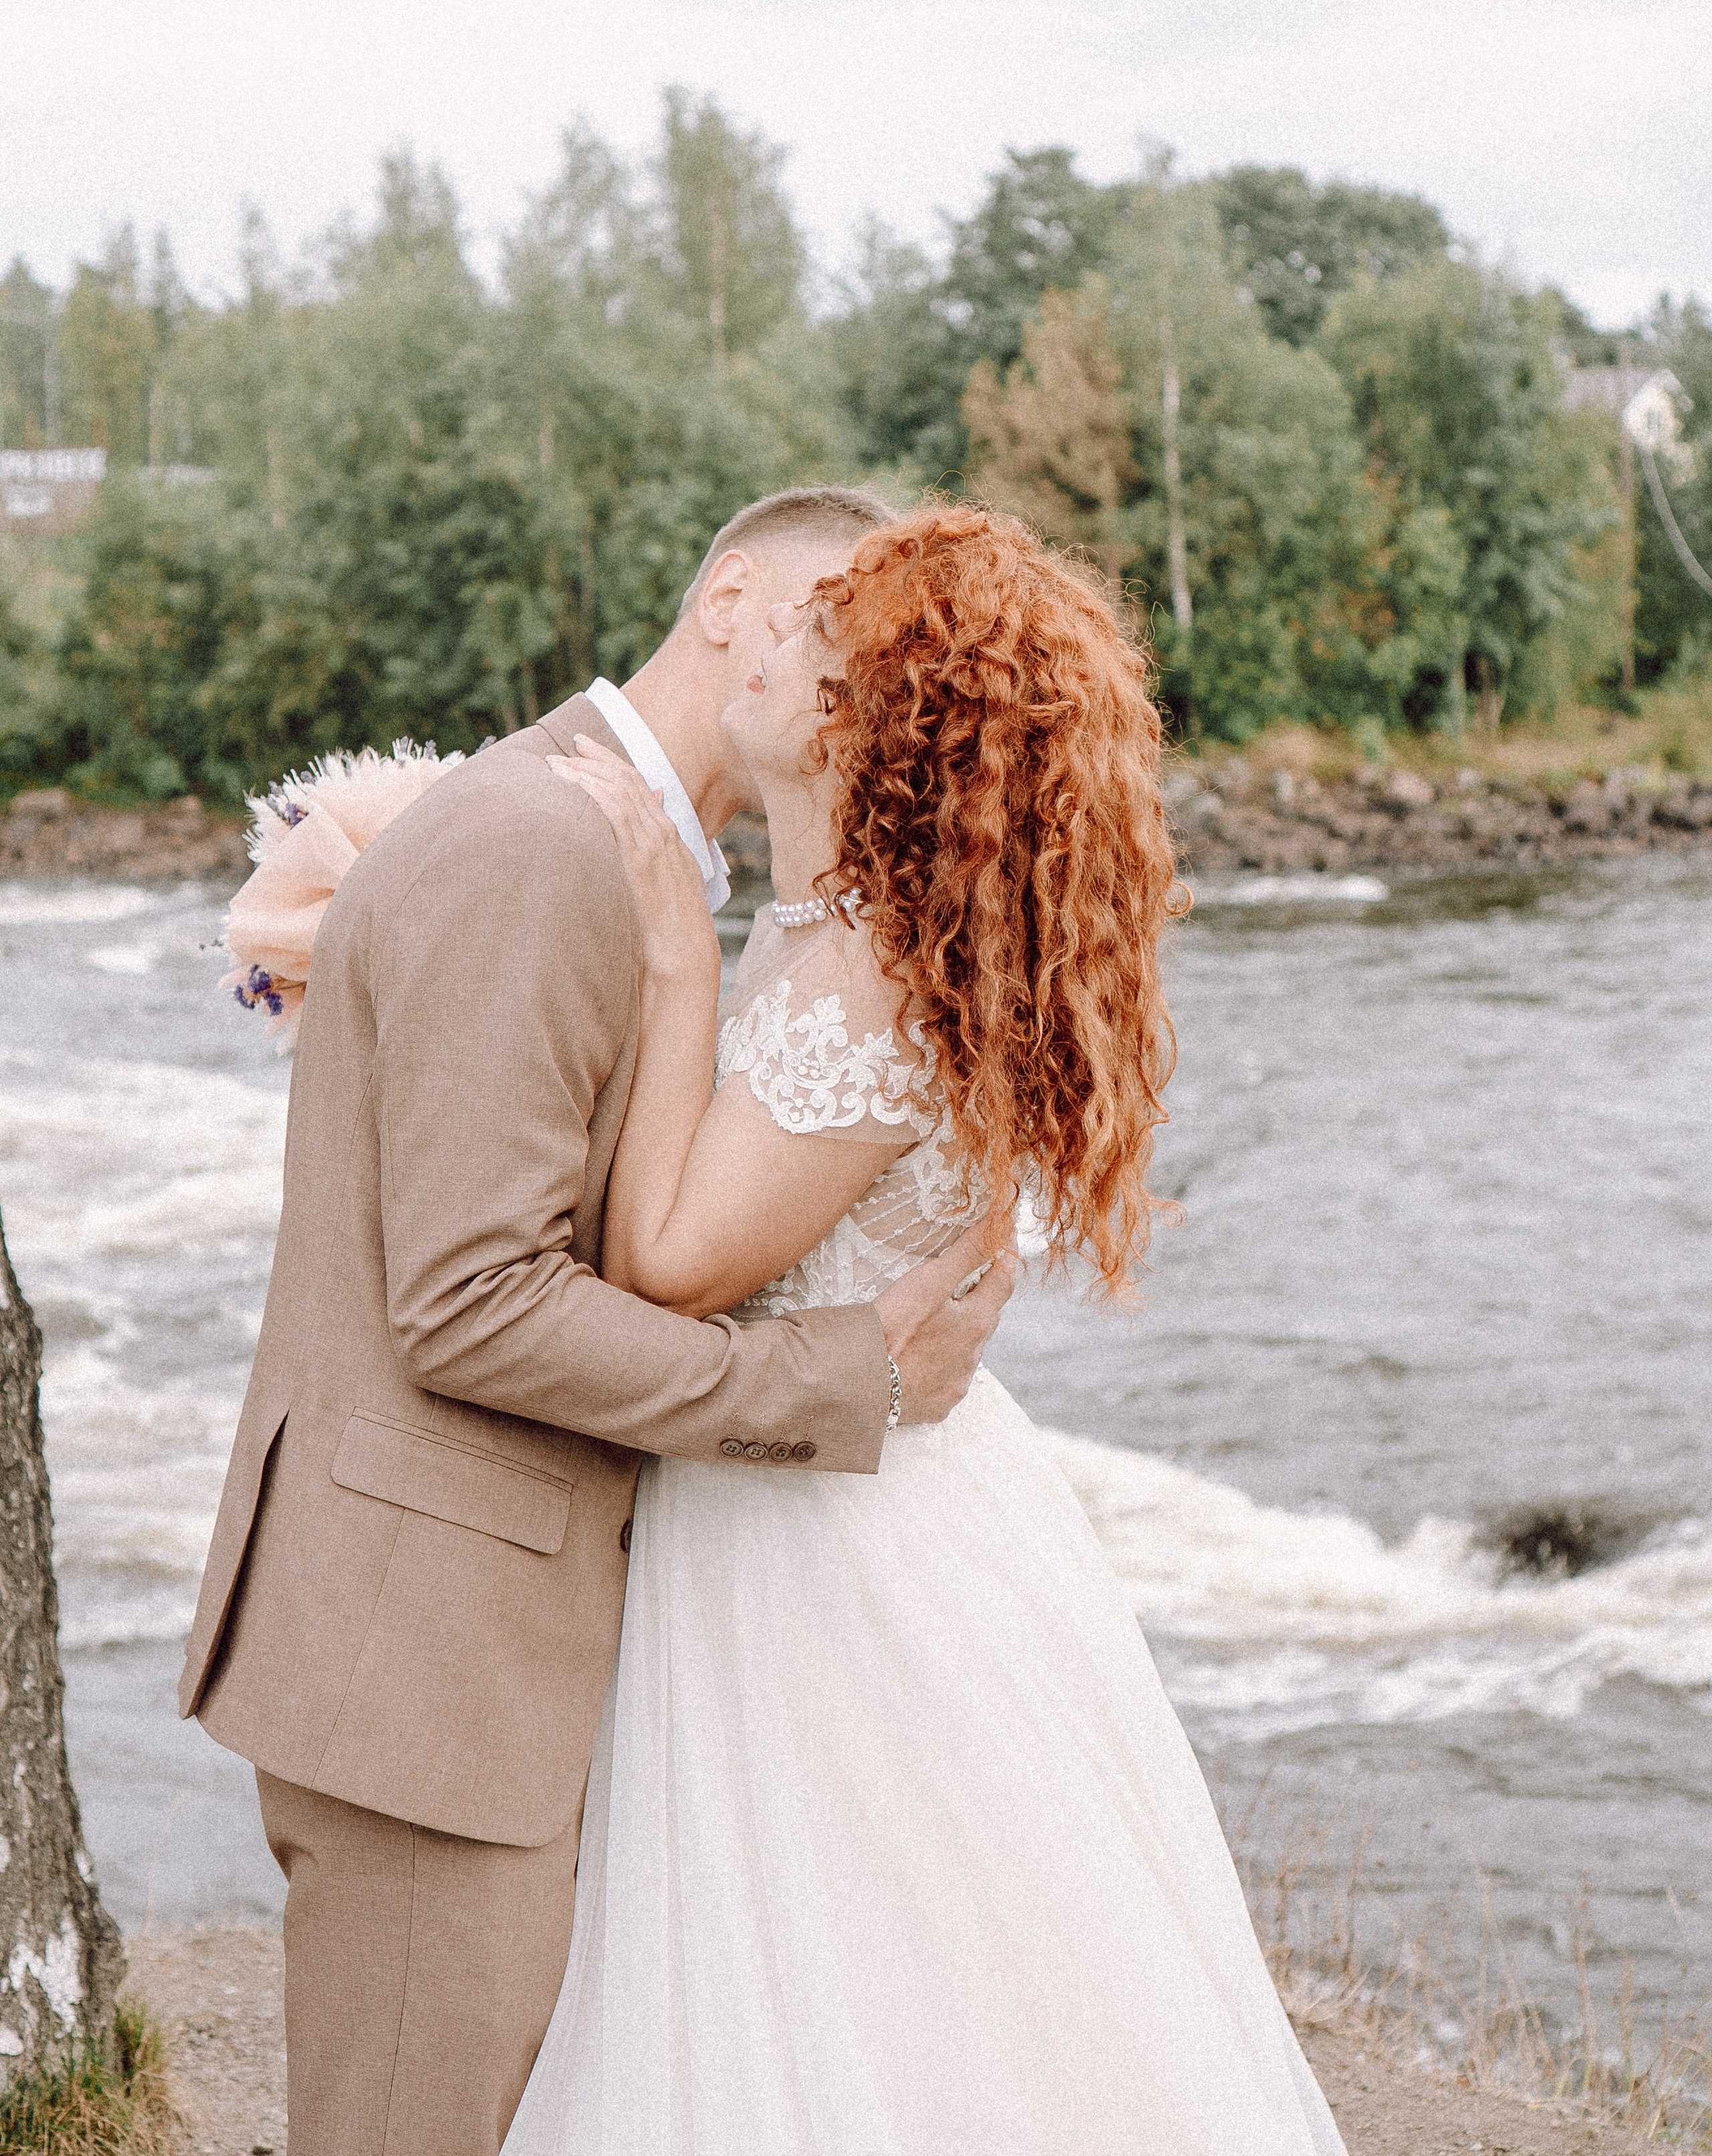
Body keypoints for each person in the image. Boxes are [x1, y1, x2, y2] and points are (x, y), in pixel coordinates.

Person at [179, 485, 1014, 2156]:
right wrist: (837, 1376)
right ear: (730, 601)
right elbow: (469, 1306)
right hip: (428, 1667)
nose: (853, 680)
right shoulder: (539, 840)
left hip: (517, 1650)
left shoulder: (645, 863)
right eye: (832, 631)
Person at [505, 506, 1348, 2155]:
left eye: (813, 632)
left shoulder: (871, 978)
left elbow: (666, 1261)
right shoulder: (850, 942)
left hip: (834, 1553)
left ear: (875, 723)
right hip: (848, 1495)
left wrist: (672, 959)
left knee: (884, 1984)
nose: (761, 636)